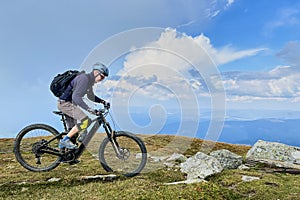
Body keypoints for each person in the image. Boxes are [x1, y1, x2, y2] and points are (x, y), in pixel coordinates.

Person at [58, 62, 110, 150]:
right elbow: (76, 97)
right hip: (65, 103)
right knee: (85, 121)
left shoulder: (89, 82)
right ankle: (64, 141)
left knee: (74, 133)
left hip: (69, 104)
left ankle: (66, 157)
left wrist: (102, 101)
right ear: (96, 72)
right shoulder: (84, 79)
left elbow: (90, 96)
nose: (102, 79)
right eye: (101, 77)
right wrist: (89, 109)